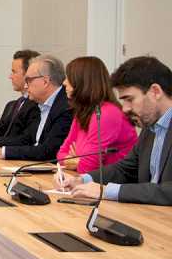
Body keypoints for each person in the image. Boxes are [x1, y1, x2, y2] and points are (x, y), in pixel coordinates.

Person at [57, 56, 172, 205]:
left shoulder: (148, 122)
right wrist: (82, 180)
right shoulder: (150, 127)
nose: (125, 109)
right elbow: (126, 169)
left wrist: (107, 191)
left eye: (129, 99)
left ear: (155, 92)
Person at [56, 57, 137, 173]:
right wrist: (78, 160)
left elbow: (88, 166)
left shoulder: (107, 114)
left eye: (69, 78)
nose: (64, 82)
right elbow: (61, 155)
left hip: (113, 186)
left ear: (84, 81)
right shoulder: (83, 112)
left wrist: (78, 161)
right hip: (90, 182)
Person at [0, 55, 73, 161]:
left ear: (45, 82)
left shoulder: (65, 108)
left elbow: (48, 151)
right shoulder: (41, 104)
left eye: (29, 80)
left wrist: (2, 152)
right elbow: (28, 139)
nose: (26, 86)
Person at [0, 50, 41, 145]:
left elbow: (26, 140)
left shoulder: (37, 105)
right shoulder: (12, 105)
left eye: (14, 72)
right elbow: (0, 130)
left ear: (28, 74)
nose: (10, 77)